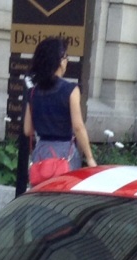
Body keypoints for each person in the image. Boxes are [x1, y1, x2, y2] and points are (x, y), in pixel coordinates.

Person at [23, 37, 96, 175]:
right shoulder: (71, 90)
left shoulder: (33, 92)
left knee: (41, 194)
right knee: (63, 194)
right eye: (66, 57)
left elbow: (28, 130)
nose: (67, 61)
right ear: (60, 61)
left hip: (41, 152)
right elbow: (78, 127)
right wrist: (90, 157)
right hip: (64, 153)